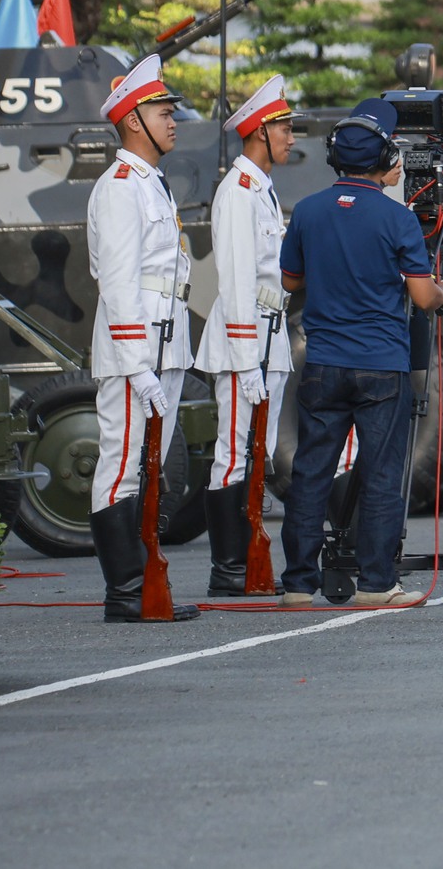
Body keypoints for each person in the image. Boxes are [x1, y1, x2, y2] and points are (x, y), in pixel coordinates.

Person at [277, 97, 443, 607]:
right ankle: (377, 583)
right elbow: (423, 298)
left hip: (324, 360)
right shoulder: (396, 217)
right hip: (381, 364)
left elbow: (291, 279)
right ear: (386, 161)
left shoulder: (309, 210)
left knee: (311, 473)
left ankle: (297, 584)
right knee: (381, 473)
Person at [86, 54, 199, 623]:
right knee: (124, 463)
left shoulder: (152, 184)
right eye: (161, 110)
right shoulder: (121, 186)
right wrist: (136, 364)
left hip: (165, 342)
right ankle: (126, 591)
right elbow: (118, 281)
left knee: (148, 467)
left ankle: (143, 585)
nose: (172, 119)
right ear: (133, 119)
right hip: (138, 350)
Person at [197, 75, 294, 597]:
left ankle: (245, 564)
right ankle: (230, 568)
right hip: (246, 339)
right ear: (259, 130)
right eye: (284, 127)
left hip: (268, 335)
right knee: (234, 452)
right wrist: (244, 357)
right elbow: (233, 279)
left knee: (259, 452)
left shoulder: (260, 188)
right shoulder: (237, 192)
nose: (291, 137)